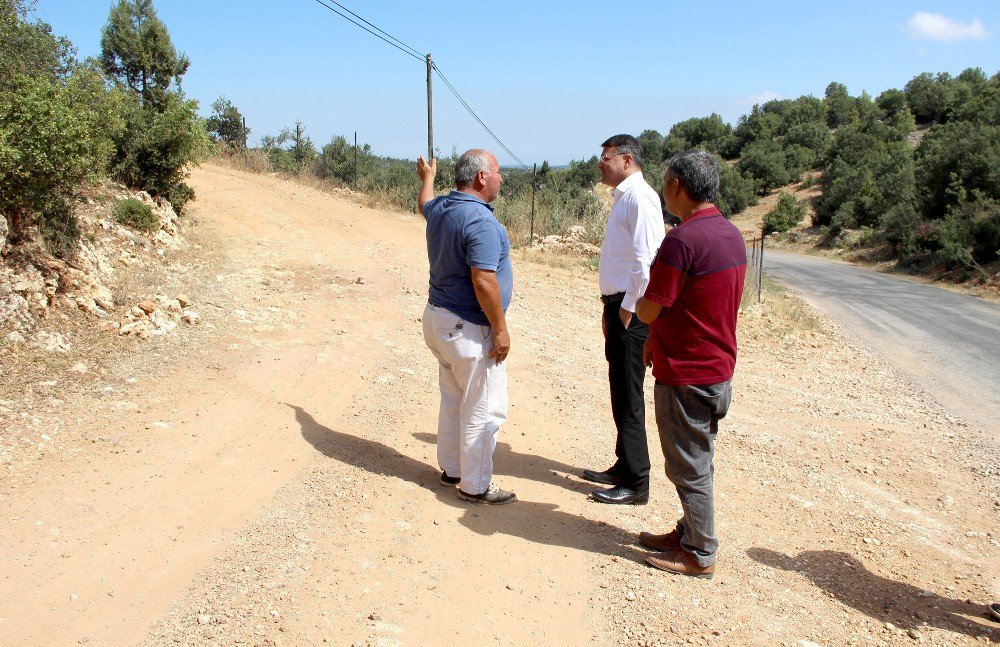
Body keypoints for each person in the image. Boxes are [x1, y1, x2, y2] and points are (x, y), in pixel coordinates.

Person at [634, 150, 747, 578]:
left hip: (687, 372)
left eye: (665, 182)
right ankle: (688, 532)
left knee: (689, 464)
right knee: (699, 456)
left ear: (677, 186)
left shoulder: (682, 241)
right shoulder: (730, 234)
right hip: (717, 369)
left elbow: (650, 309)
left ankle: (699, 552)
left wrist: (642, 312)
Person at [417, 149, 516, 505]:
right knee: (482, 407)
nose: (501, 178)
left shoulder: (443, 207)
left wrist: (427, 179)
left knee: (453, 398)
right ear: (480, 178)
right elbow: (484, 280)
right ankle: (475, 485)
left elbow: (424, 203)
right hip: (469, 327)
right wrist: (500, 330)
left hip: (438, 319)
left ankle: (453, 469)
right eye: (498, 172)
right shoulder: (481, 221)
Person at [582, 134, 665, 505]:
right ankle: (623, 465)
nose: (600, 163)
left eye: (606, 158)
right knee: (620, 390)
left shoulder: (640, 197)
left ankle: (636, 482)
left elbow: (647, 261)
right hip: (618, 305)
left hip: (629, 310)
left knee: (629, 396)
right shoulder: (626, 196)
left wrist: (627, 309)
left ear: (627, 160)